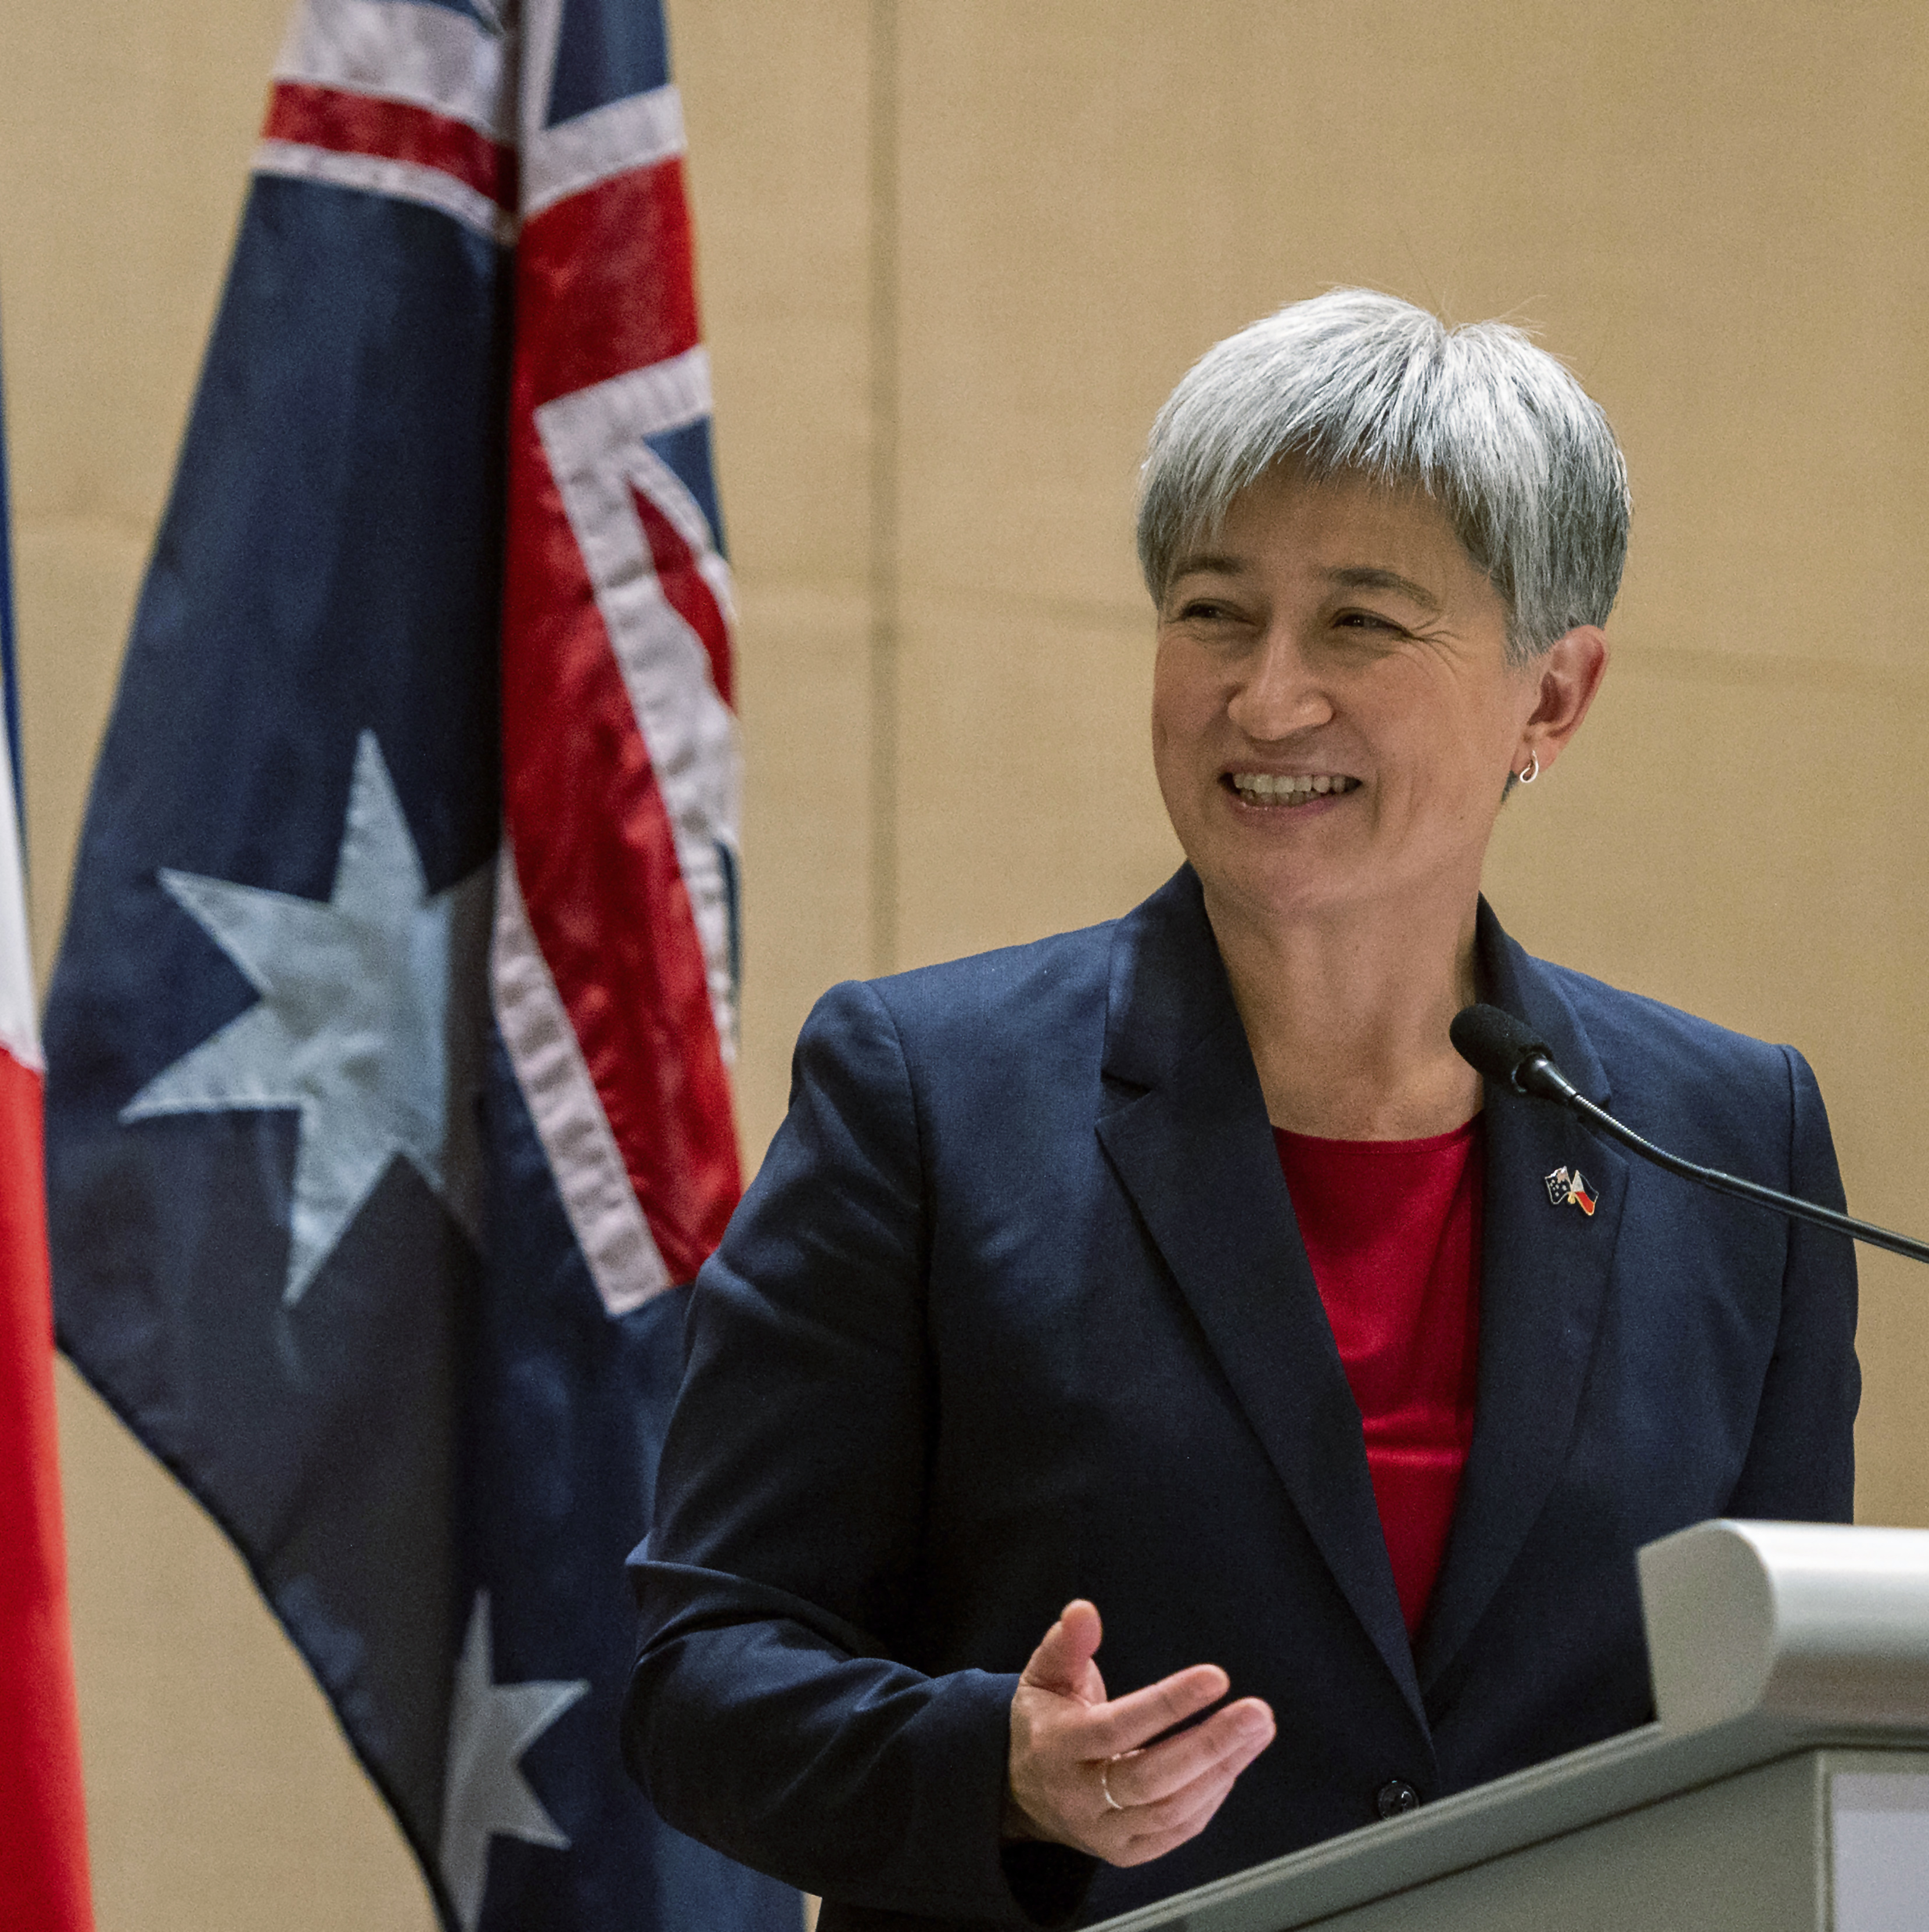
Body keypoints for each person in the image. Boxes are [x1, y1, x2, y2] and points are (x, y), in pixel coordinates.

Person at [621, 289, 1860, 1931]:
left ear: (1551, 700)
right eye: (1214, 613)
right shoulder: (929, 1097)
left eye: (1361, 624)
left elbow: (1778, 1718)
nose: (1268, 700)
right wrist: (993, 1762)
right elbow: (699, 1677)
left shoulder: (1726, 1144)